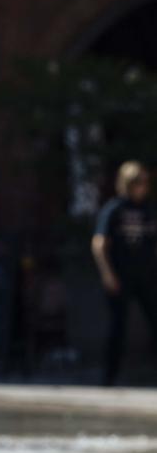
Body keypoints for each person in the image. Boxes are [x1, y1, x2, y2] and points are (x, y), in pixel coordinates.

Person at [92, 161, 157, 385]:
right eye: (139, 182)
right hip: (121, 277)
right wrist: (108, 274)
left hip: (147, 277)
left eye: (146, 182)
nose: (144, 186)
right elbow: (99, 244)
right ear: (128, 184)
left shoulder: (149, 209)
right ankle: (109, 378)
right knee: (118, 327)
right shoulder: (115, 208)